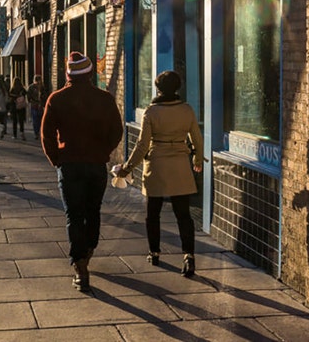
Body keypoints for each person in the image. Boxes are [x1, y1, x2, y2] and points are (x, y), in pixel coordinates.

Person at [41, 52, 123, 292]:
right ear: (90, 73)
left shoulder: (56, 99)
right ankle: (88, 251)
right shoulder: (105, 99)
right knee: (93, 211)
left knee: (74, 215)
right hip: (96, 164)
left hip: (69, 165)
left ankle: (80, 265)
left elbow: (46, 135)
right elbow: (117, 131)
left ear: (68, 74)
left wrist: (56, 159)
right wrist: (104, 151)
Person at [116, 70, 203, 277]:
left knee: (152, 214)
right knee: (183, 215)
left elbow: (142, 145)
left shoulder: (151, 112)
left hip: (156, 166)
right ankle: (189, 256)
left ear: (158, 88)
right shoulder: (187, 110)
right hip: (180, 165)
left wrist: (127, 168)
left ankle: (154, 252)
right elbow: (197, 140)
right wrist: (197, 160)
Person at [26, 75, 45, 140]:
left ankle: (38, 132)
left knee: (39, 119)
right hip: (35, 105)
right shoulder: (31, 87)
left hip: (39, 105)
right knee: (35, 119)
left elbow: (44, 95)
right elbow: (28, 96)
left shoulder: (42, 87)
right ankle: (36, 133)